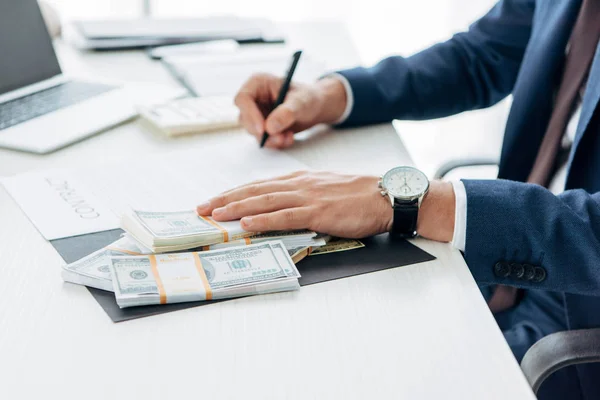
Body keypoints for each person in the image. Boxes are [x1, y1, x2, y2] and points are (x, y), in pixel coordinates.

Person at [196, 1, 600, 398]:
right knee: (304, 339)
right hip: (499, 256)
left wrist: (414, 203)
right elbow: (483, 54)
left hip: (576, 320)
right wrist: (333, 95)